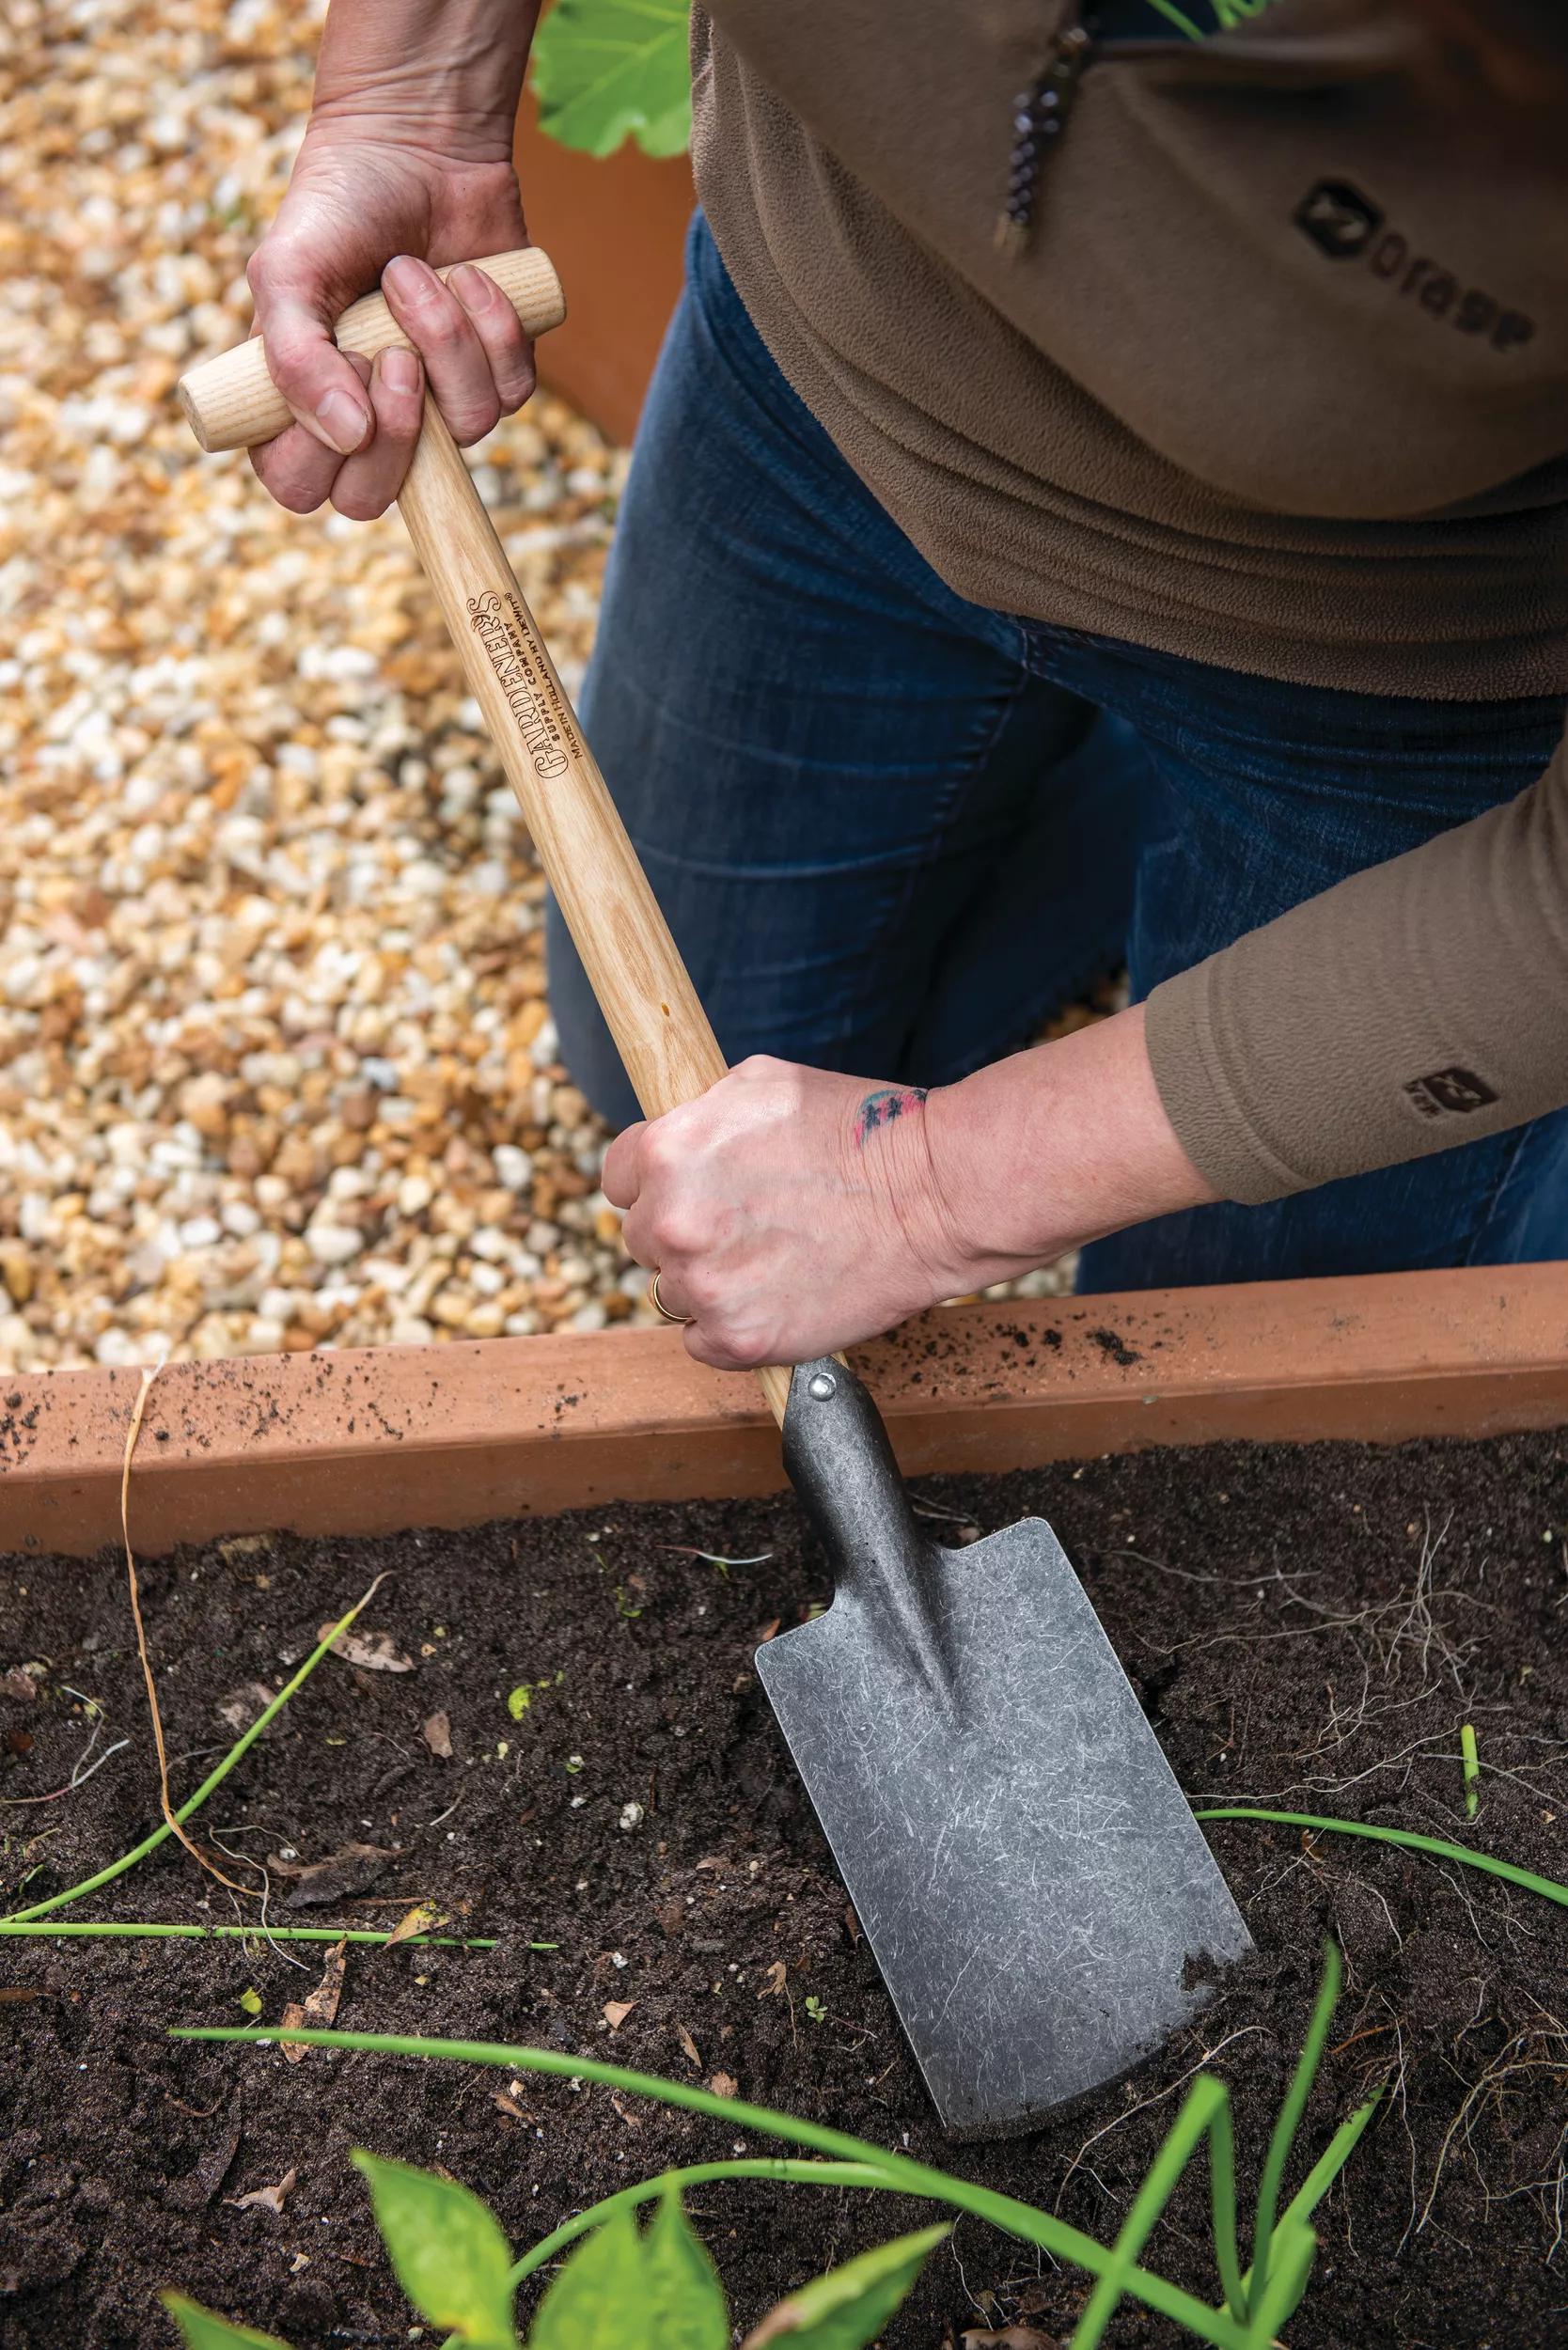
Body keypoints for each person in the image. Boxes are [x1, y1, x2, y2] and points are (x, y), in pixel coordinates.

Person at [246, 0, 1568, 1374]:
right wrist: (411, 95)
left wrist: (925, 1191)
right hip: (829, 406)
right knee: (664, 1094)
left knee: (1242, 1390)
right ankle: (1131, 793)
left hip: (1394, 667)